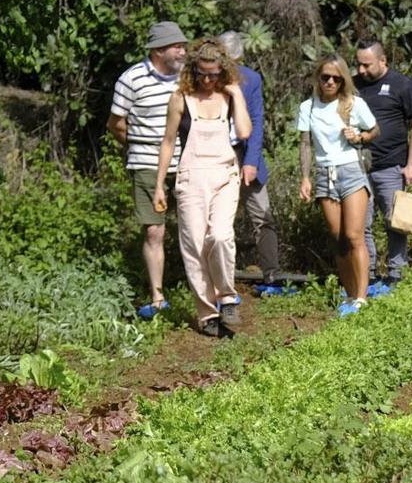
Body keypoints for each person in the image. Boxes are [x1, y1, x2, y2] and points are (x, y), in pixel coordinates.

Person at [154, 41, 252, 336]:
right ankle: (207, 312)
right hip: (191, 177)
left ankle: (227, 297)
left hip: (223, 174)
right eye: (202, 74)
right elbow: (168, 142)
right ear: (193, 71)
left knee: (221, 236)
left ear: (223, 71)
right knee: (194, 245)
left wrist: (235, 92)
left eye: (214, 74)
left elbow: (245, 132)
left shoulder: (228, 96)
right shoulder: (180, 98)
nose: (208, 80)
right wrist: (160, 184)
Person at [107, 20, 187, 318]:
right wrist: (139, 145)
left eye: (183, 46)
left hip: (188, 162)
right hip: (146, 164)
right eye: (177, 46)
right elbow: (116, 124)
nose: (183, 51)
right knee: (154, 230)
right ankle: (157, 296)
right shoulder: (131, 79)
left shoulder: (188, 79)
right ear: (158, 50)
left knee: (196, 228)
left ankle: (203, 289)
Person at [298, 56, 380, 315]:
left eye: (336, 78)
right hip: (325, 174)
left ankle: (362, 297)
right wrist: (305, 177)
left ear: (343, 79)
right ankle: (349, 294)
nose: (330, 82)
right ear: (318, 79)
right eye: (325, 77)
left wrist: (360, 136)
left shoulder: (353, 104)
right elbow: (305, 143)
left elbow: (375, 129)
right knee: (339, 239)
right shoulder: (307, 107)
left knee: (355, 235)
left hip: (351, 171)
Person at [354, 40, 412, 293]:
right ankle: (369, 273)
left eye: (367, 65)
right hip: (358, 167)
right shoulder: (353, 85)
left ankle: (396, 273)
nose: (361, 70)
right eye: (358, 65)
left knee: (395, 221)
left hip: (391, 165)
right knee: (360, 224)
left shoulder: (403, 85)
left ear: (382, 60)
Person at [216, 30, 281, 288]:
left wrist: (251, 161)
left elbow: (256, 121)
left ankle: (272, 275)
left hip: (244, 152)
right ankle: (221, 279)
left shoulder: (251, 79)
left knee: (262, 216)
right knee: (220, 220)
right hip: (216, 154)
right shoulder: (206, 80)